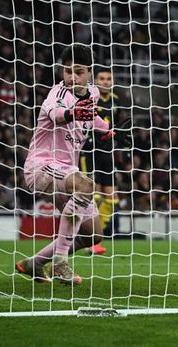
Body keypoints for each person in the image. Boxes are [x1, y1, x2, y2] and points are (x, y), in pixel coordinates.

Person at [15, 44, 128, 284]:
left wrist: (109, 132)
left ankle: (33, 263)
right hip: (41, 166)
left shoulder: (93, 94)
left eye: (78, 71)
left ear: (88, 73)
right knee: (86, 186)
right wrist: (73, 113)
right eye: (67, 71)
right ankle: (60, 262)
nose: (71, 77)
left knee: (92, 235)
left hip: (67, 171)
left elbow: (92, 117)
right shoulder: (57, 94)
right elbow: (57, 114)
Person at [79, 66, 130, 255]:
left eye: (109, 78)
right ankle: (85, 237)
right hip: (89, 150)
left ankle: (96, 238)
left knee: (112, 198)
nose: (106, 81)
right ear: (95, 80)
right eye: (102, 78)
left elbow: (114, 128)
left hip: (107, 153)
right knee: (93, 195)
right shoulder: (89, 97)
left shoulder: (116, 101)